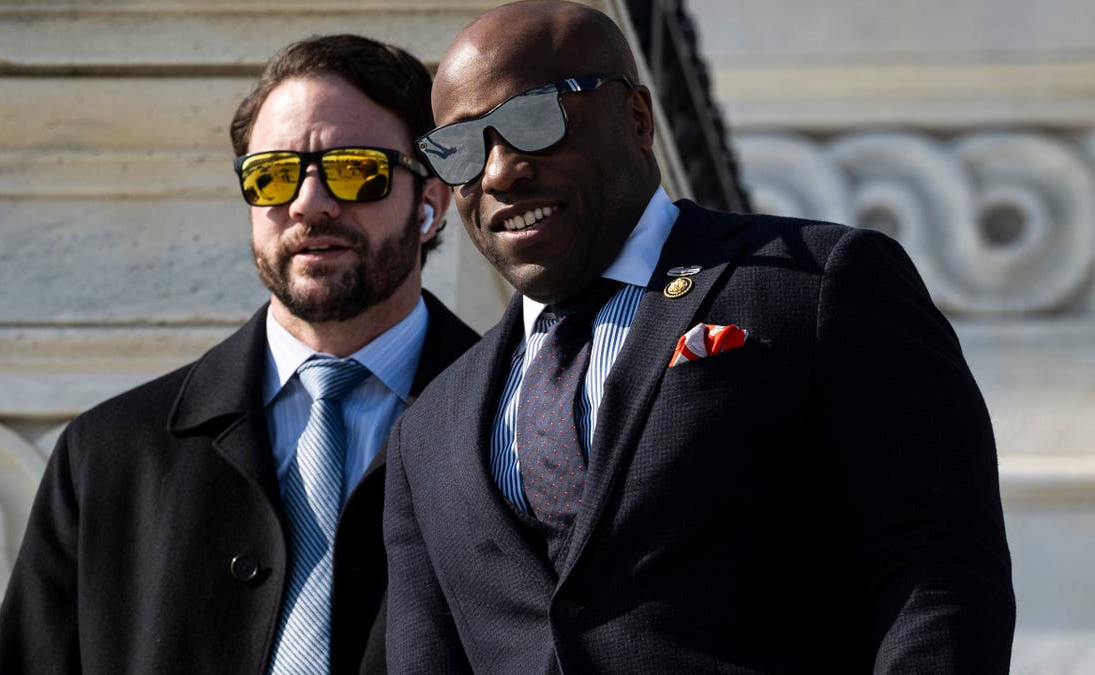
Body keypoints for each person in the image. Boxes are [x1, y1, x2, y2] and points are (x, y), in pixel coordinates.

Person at [383, 1, 1015, 672]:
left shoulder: (817, 283)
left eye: (532, 119)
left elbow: (936, 571)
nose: (499, 171)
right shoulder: (428, 427)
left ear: (638, 118)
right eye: (460, 147)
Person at [0, 35, 476, 674]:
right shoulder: (106, 456)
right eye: (270, 176)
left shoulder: (522, 422)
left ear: (430, 206)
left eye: (355, 169)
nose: (308, 203)